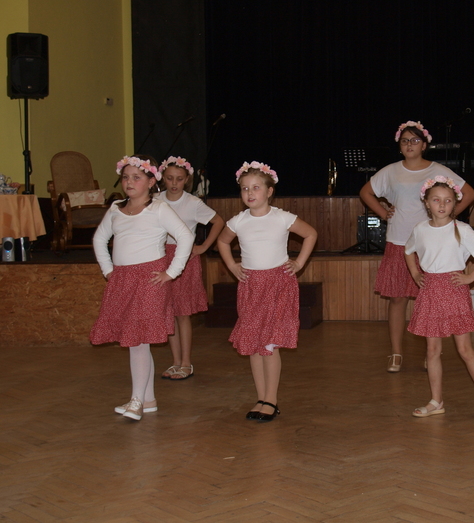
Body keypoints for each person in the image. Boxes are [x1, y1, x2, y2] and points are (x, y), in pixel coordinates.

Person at [360, 120, 474, 372]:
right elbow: (365, 192)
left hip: (432, 245)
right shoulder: (390, 171)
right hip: (400, 241)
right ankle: (396, 352)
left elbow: (469, 193)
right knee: (398, 299)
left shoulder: (438, 170)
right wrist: (383, 212)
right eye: (405, 141)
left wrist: (449, 216)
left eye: (415, 140)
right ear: (399, 145)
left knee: (433, 301)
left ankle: (432, 352)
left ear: (424, 145)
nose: (409, 145)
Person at [90, 155, 194, 421]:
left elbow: (185, 236)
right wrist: (109, 270)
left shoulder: (158, 209)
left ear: (150, 182)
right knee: (137, 341)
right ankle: (148, 400)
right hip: (123, 280)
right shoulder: (116, 208)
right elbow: (99, 239)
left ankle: (136, 400)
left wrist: (172, 272)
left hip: (149, 280)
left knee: (137, 341)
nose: (129, 182)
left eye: (136, 177)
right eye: (125, 177)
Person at [217, 161, 317, 422]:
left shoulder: (282, 217)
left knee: (269, 345)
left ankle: (271, 399)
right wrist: (232, 265)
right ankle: (260, 397)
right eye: (244, 188)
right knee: (253, 344)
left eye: (256, 187)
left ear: (269, 191)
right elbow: (222, 241)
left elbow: (310, 234)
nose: (250, 193)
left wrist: (299, 263)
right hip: (251, 286)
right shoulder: (238, 221)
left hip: (277, 285)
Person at [404, 176, 474, 419]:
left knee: (464, 349)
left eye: (447, 200)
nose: (442, 205)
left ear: (454, 204)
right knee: (432, 350)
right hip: (430, 291)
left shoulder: (461, 230)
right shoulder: (420, 229)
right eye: (436, 200)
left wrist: (471, 276)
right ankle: (436, 401)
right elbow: (408, 250)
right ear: (427, 203)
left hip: (454, 290)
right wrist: (415, 273)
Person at [155, 156, 225, 380]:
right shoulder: (155, 200)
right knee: (169, 311)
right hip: (160, 257)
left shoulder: (192, 203)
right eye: (169, 178)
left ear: (187, 180)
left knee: (182, 313)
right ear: (162, 178)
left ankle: (186, 363)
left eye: (179, 179)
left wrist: (203, 246)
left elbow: (218, 221)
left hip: (184, 257)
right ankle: (175, 362)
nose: (174, 183)